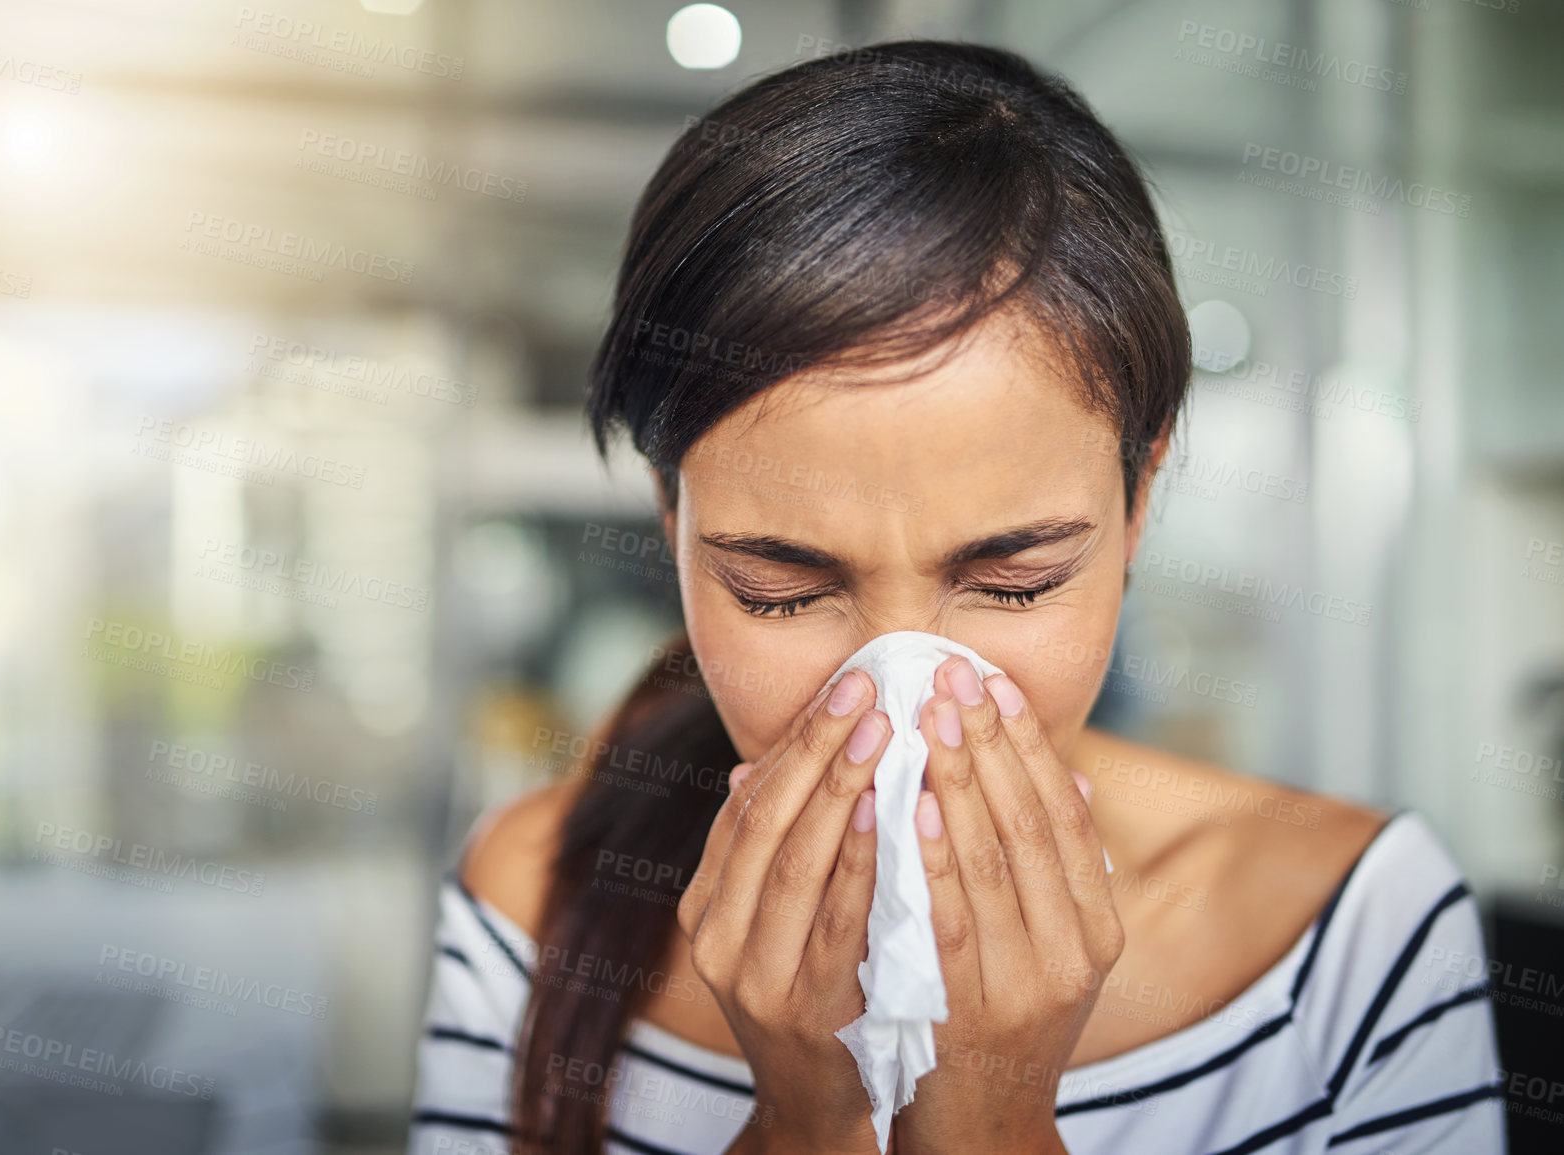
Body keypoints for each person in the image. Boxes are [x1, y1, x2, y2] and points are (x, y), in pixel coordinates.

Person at [408, 40, 1505, 1155]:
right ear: (670, 518)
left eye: (1012, 582)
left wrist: (990, 1122)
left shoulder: (1356, 933)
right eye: (780, 591)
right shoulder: (534, 906)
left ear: (1138, 502)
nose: (897, 702)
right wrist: (800, 1124)